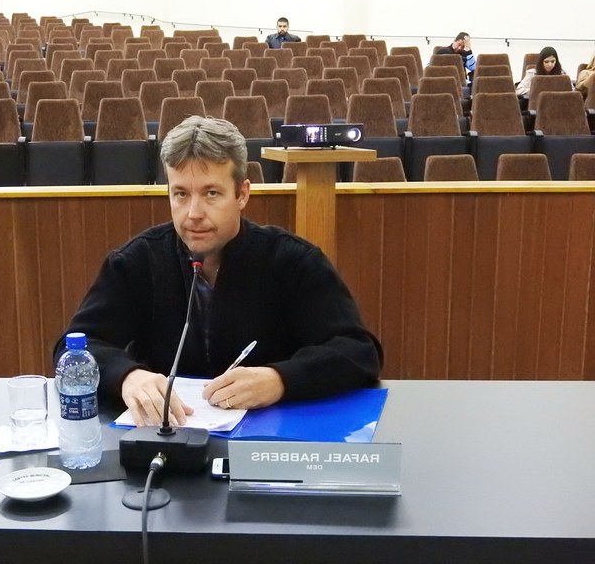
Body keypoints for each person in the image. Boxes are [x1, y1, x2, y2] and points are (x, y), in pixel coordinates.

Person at [54, 116, 383, 427]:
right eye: (181, 194)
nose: (193, 213)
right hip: (166, 435)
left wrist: (281, 379)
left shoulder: (294, 261)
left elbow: (358, 351)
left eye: (211, 193)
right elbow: (74, 349)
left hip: (268, 437)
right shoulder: (136, 261)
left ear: (242, 194)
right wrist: (127, 376)